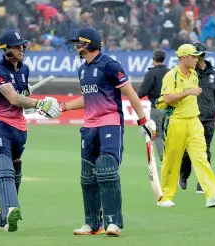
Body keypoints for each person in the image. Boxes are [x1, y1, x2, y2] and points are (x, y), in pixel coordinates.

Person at [62, 26, 156, 237]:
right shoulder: (82, 69)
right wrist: (64, 106)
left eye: (79, 43)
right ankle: (92, 224)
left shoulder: (110, 65)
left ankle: (113, 223)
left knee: (107, 171)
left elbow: (129, 91)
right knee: (88, 176)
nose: (76, 47)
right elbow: (87, 99)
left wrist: (143, 118)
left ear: (88, 44)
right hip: (89, 126)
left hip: (110, 122)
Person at [0, 29, 61, 232]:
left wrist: (30, 99)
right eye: (17, 46)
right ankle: (11, 207)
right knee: (3, 169)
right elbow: (14, 98)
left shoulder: (24, 69)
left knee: (16, 170)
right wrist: (39, 104)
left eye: (22, 46)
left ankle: (4, 213)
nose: (21, 49)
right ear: (6, 49)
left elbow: (22, 100)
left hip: (19, 127)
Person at [155, 43, 215, 208]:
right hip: (177, 122)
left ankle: (212, 195)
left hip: (194, 122)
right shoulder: (171, 76)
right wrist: (188, 92)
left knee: (202, 158)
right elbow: (167, 98)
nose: (197, 59)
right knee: (172, 160)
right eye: (193, 56)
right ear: (184, 58)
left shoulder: (194, 74)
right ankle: (165, 196)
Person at [178, 42, 215, 193]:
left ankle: (202, 182)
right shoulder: (188, 73)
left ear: (201, 56)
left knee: (205, 150)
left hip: (208, 118)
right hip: (190, 117)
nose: (192, 57)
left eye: (195, 55)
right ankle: (184, 174)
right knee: (187, 151)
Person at [138, 49, 170, 162]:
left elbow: (143, 91)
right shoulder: (170, 72)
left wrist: (135, 96)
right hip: (170, 108)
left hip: (156, 108)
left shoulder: (151, 73)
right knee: (167, 134)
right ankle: (171, 156)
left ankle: (164, 159)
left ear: (154, 59)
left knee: (156, 135)